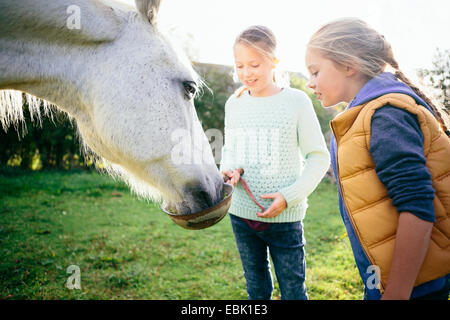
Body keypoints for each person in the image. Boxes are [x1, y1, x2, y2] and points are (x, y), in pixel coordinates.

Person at [305, 17, 450, 300]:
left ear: (348, 65)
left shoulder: (385, 115)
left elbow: (416, 206)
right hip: (390, 277)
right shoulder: (366, 114)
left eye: (315, 71)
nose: (310, 83)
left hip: (413, 284)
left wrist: (397, 291)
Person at [220, 25, 330, 300]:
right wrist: (230, 169)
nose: (246, 73)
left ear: (274, 62)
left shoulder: (296, 101)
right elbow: (230, 149)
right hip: (242, 214)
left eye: (254, 64)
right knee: (256, 290)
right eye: (240, 65)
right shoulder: (234, 104)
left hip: (285, 218)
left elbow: (318, 157)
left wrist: (288, 196)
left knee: (293, 291)